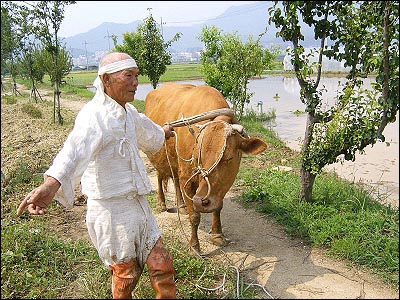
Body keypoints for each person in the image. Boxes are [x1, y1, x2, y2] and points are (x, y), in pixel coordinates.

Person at [17, 52, 177, 299]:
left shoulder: (129, 113)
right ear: (106, 80)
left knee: (162, 265)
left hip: (137, 205)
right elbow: (72, 153)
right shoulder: (94, 116)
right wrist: (49, 186)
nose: (135, 82)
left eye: (136, 76)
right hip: (110, 210)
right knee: (126, 274)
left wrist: (164, 131)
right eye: (128, 76)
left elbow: (149, 132)